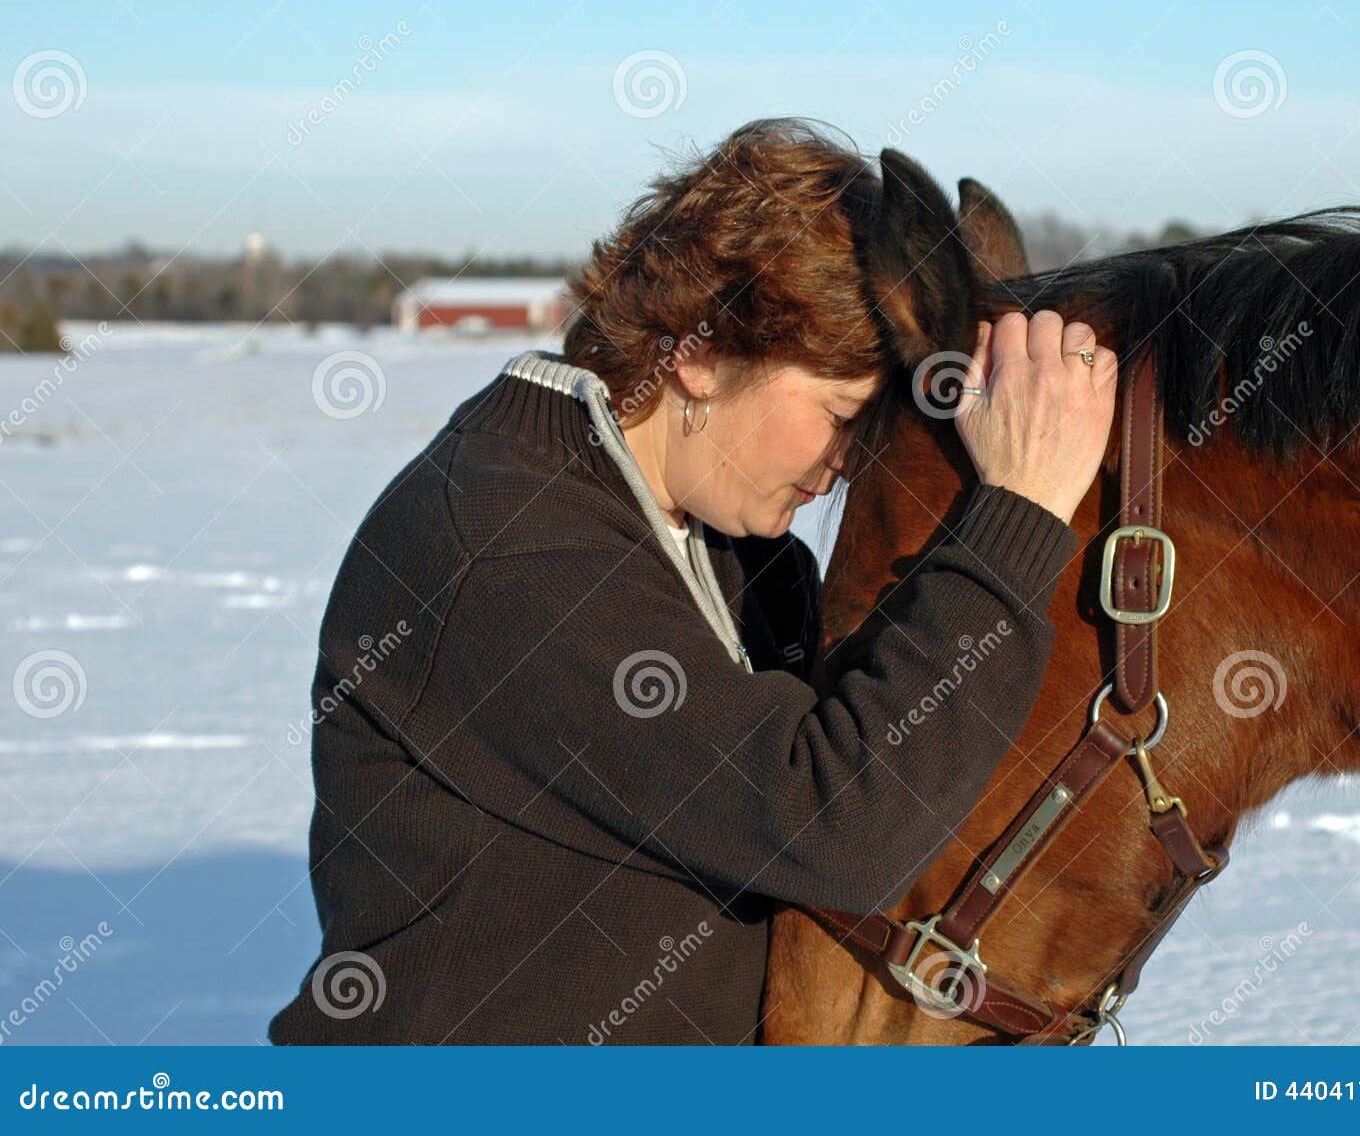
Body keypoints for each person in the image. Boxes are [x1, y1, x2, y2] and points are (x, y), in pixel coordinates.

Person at [268, 118, 1118, 1045]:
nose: (844, 464)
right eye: (841, 413)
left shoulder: (717, 539)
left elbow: (875, 748)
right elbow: (826, 826)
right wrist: (1020, 519)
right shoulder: (507, 551)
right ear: (701, 352)